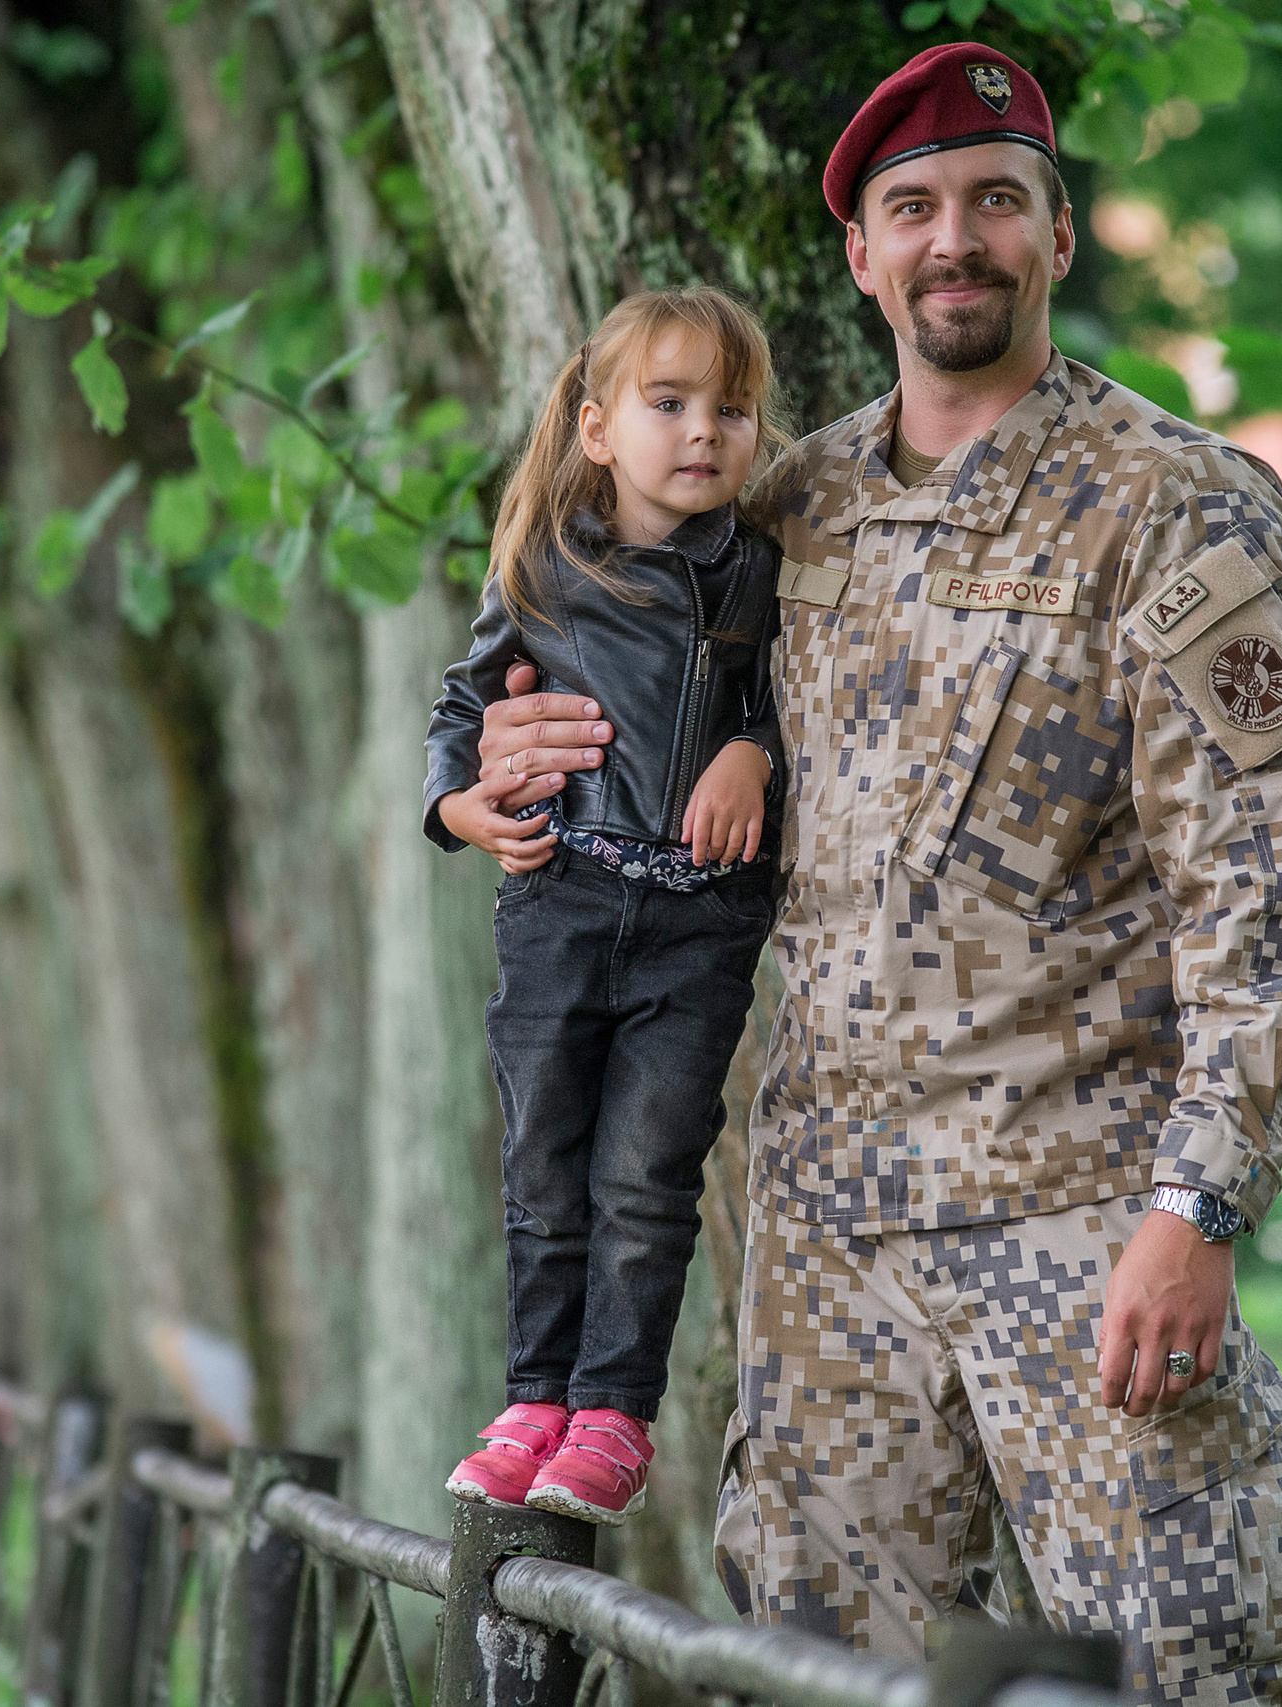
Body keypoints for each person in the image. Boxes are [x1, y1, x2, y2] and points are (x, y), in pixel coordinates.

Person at [468, 42, 1282, 1703]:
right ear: (866, 257)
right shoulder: (783, 509)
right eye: (916, 209)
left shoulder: (1176, 508)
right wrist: (503, 772)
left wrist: (1201, 1202)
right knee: (812, 1674)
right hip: (831, 1257)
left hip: (1085, 1228)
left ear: (1056, 236)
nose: (958, 238)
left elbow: (1277, 890)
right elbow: (589, 682)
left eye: (997, 203)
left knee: (1194, 1664)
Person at [422, 287, 790, 1525]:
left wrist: (756, 752)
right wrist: (456, 807)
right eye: (670, 403)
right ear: (596, 427)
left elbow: (809, 701)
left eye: (731, 412)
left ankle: (611, 1416)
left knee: (644, 1169)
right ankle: (533, 1397)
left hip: (698, 923)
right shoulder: (543, 567)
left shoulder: (762, 565)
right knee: (543, 1158)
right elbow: (461, 713)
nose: (704, 433)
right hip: (560, 900)